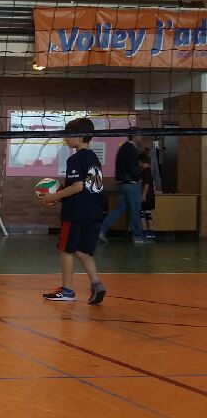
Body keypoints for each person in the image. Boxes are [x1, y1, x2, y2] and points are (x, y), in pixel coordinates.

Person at [38, 118, 107, 305]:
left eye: (68, 135)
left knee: (65, 250)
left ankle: (67, 290)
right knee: (82, 250)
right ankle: (96, 283)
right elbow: (86, 186)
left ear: (80, 136)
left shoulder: (75, 159)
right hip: (94, 211)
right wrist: (61, 194)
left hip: (76, 213)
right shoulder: (94, 158)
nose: (65, 139)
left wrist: (52, 197)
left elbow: (77, 186)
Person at [99, 130, 143, 244]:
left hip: (121, 184)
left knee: (120, 208)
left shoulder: (122, 147)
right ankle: (137, 237)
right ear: (134, 135)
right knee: (134, 210)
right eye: (139, 134)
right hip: (131, 184)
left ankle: (102, 229)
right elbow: (132, 167)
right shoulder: (132, 149)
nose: (141, 136)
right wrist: (138, 177)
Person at [139, 150, 155, 238]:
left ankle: (145, 232)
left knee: (142, 214)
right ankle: (151, 232)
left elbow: (146, 184)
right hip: (150, 197)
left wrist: (143, 195)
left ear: (141, 162)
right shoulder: (149, 171)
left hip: (146, 197)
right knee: (148, 214)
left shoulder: (146, 172)